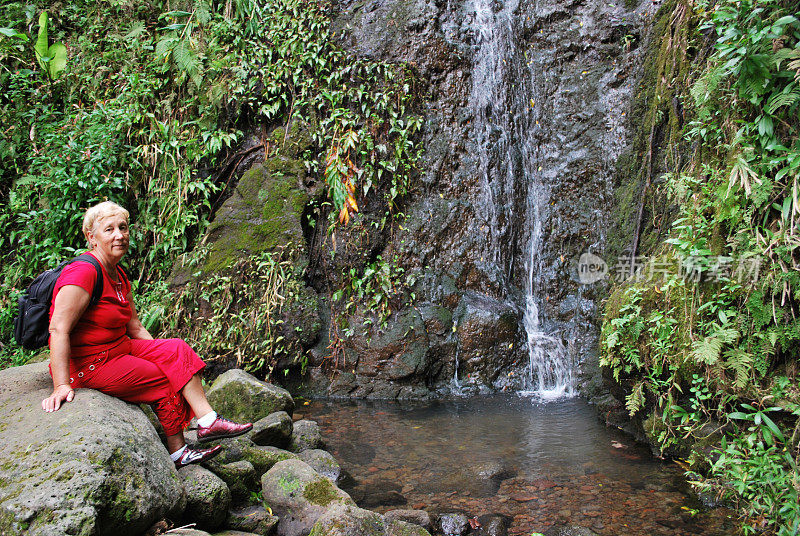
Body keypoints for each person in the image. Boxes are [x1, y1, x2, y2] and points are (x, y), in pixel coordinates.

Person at [41, 201, 252, 468]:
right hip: (88, 364)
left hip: (119, 348)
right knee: (158, 379)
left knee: (176, 350)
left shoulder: (117, 273)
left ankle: (208, 422)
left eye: (123, 228)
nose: (119, 235)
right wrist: (61, 385)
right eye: (109, 229)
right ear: (91, 237)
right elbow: (58, 328)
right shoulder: (83, 272)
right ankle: (178, 452)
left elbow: (136, 328)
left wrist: (166, 359)